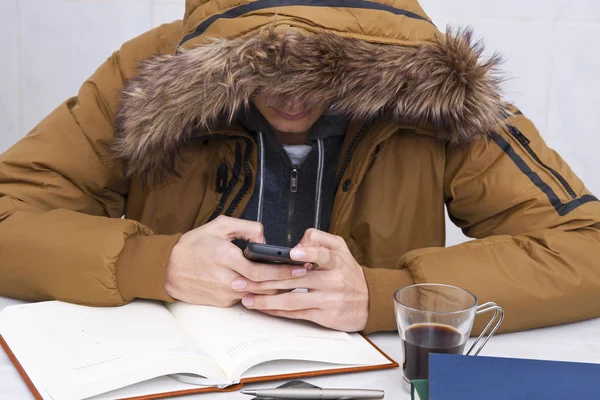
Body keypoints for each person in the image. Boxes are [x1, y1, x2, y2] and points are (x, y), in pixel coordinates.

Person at [1, 0, 599, 335]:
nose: (293, 100)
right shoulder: (149, 73)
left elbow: (586, 249)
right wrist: (151, 263)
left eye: (323, 76)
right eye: (268, 70)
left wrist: (386, 295)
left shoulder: (434, 97)